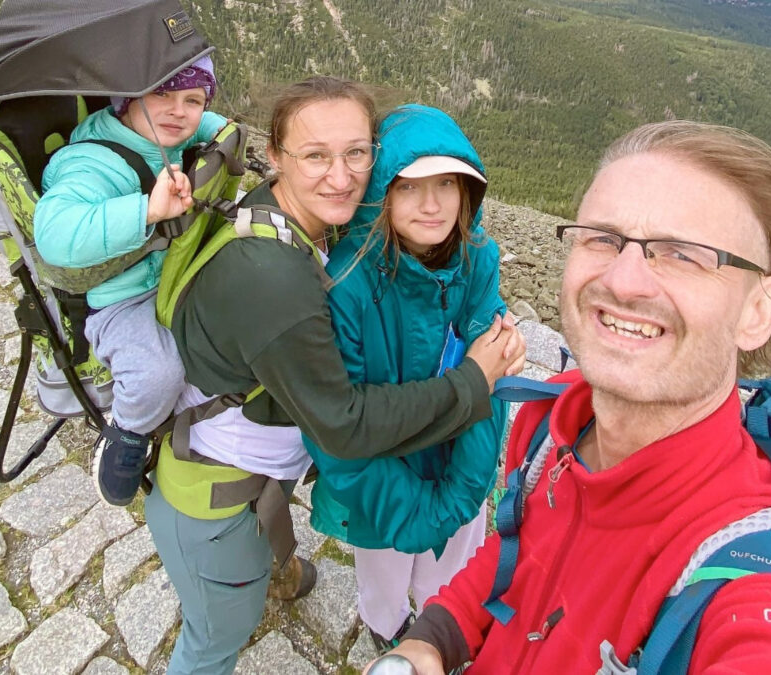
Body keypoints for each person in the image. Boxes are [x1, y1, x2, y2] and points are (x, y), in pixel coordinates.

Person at [379, 120, 771, 673]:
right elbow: (516, 549)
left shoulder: (765, 586)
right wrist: (431, 640)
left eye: (684, 253)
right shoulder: (553, 418)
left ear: (758, 311)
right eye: (603, 238)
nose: (624, 281)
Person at [144, 77, 526, 675]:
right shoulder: (277, 281)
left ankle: (278, 573)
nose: (342, 176)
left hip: (249, 476)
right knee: (222, 633)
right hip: (213, 499)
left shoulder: (290, 220)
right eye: (316, 155)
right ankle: (251, 586)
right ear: (275, 156)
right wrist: (474, 382)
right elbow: (344, 426)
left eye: (356, 154)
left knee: (256, 565)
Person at [303, 103, 506, 653]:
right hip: (381, 485)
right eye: (411, 186)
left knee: (450, 580)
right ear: (382, 195)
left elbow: (495, 388)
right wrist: (422, 514)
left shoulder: (478, 261)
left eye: (448, 183)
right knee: (385, 582)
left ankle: (437, 636)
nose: (433, 203)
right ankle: (387, 631)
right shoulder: (345, 287)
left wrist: (459, 496)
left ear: (469, 192)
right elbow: (337, 432)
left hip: (458, 469)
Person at [34, 55, 225, 506]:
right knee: (159, 373)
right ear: (127, 99)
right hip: (120, 298)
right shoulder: (91, 163)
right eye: (162, 93)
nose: (178, 111)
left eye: (192, 99)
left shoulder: (162, 129)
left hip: (174, 273)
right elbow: (56, 237)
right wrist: (148, 212)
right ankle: (127, 432)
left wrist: (224, 130)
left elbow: (205, 124)